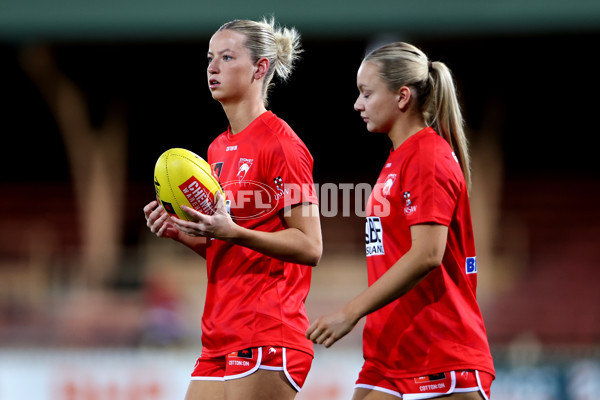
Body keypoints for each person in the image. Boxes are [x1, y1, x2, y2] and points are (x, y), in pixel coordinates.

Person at [143, 18, 322, 400]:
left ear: (260, 68)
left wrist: (234, 231)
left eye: (226, 57)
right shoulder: (215, 150)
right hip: (220, 334)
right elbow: (224, 249)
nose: (212, 67)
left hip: (267, 331)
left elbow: (311, 246)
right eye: (210, 58)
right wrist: (180, 231)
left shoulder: (283, 145)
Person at [306, 42, 495, 399]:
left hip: (438, 353)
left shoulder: (428, 156)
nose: (357, 104)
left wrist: (351, 312)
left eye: (366, 93)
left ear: (402, 96)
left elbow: (427, 255)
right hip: (391, 355)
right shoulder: (399, 159)